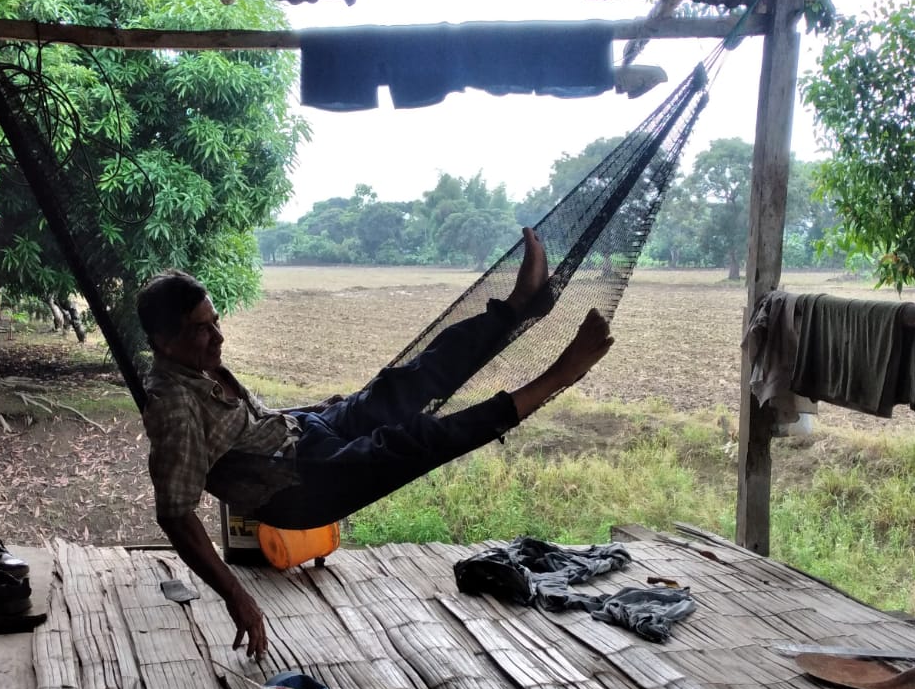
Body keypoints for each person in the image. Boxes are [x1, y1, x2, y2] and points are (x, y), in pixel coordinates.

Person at [139, 229, 614, 659]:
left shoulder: (196, 367)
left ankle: (520, 305)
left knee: (409, 380)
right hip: (303, 483)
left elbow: (249, 428)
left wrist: (313, 410)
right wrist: (236, 595)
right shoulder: (172, 406)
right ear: (163, 341)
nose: (218, 336)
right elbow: (175, 514)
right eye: (201, 329)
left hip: (307, 430)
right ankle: (559, 375)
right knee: (418, 440)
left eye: (215, 321)